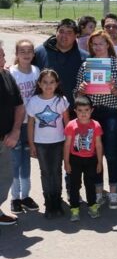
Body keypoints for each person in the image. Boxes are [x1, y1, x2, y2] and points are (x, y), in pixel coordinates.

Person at [74, 30, 117, 209]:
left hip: (112, 112)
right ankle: (98, 191)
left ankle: (113, 191)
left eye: (101, 43)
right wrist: (81, 90)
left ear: (108, 45)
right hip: (91, 114)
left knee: (111, 153)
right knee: (93, 154)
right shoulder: (86, 65)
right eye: (94, 44)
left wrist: (115, 89)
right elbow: (76, 94)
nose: (97, 47)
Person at [26, 69, 70, 218]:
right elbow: (31, 124)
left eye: (52, 82)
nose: (48, 85)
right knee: (46, 172)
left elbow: (67, 122)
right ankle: (49, 202)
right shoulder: (34, 101)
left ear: (57, 84)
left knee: (57, 171)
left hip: (58, 142)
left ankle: (57, 200)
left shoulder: (61, 100)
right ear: (39, 84)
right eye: (45, 82)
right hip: (41, 143)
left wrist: (68, 142)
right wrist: (31, 144)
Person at [8, 39, 41, 214]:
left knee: (26, 161)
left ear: (33, 54)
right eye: (22, 51)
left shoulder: (36, 71)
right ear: (17, 54)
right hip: (15, 125)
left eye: (29, 51)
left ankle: (25, 196)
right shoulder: (11, 73)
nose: (26, 54)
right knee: (15, 162)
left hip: (31, 124)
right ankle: (15, 198)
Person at [33, 18, 87, 110]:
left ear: (76, 36)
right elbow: (24, 68)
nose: (64, 36)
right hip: (44, 110)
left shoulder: (85, 58)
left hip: (74, 111)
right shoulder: (39, 53)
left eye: (69, 33)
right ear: (56, 32)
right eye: (61, 31)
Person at [64, 96, 103, 222]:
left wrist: (100, 162)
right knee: (74, 185)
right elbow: (67, 144)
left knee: (90, 184)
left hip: (91, 160)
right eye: (80, 110)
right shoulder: (71, 125)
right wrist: (66, 162)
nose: (83, 113)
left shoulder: (96, 125)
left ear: (91, 110)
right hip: (74, 160)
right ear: (75, 111)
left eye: (86, 110)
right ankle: (74, 209)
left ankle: (92, 206)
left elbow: (98, 144)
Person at [0, 42, 25, 226]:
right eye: (0, 56)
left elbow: (19, 105)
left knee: (5, 178)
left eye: (3, 55)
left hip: (6, 140)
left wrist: (16, 130)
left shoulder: (7, 75)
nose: (4, 59)